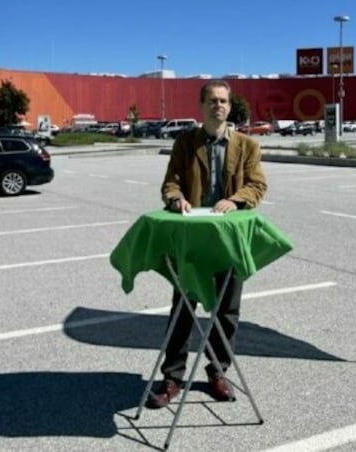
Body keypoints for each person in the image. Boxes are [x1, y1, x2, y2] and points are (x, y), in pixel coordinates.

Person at [148, 79, 267, 409]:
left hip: (228, 241)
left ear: (230, 106)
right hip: (193, 241)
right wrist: (176, 200)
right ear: (201, 106)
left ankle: (218, 372)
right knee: (183, 310)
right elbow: (171, 183)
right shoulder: (185, 143)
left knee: (227, 312)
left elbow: (257, 185)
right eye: (212, 101)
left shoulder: (247, 146)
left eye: (224, 101)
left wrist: (236, 199)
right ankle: (172, 377)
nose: (219, 106)